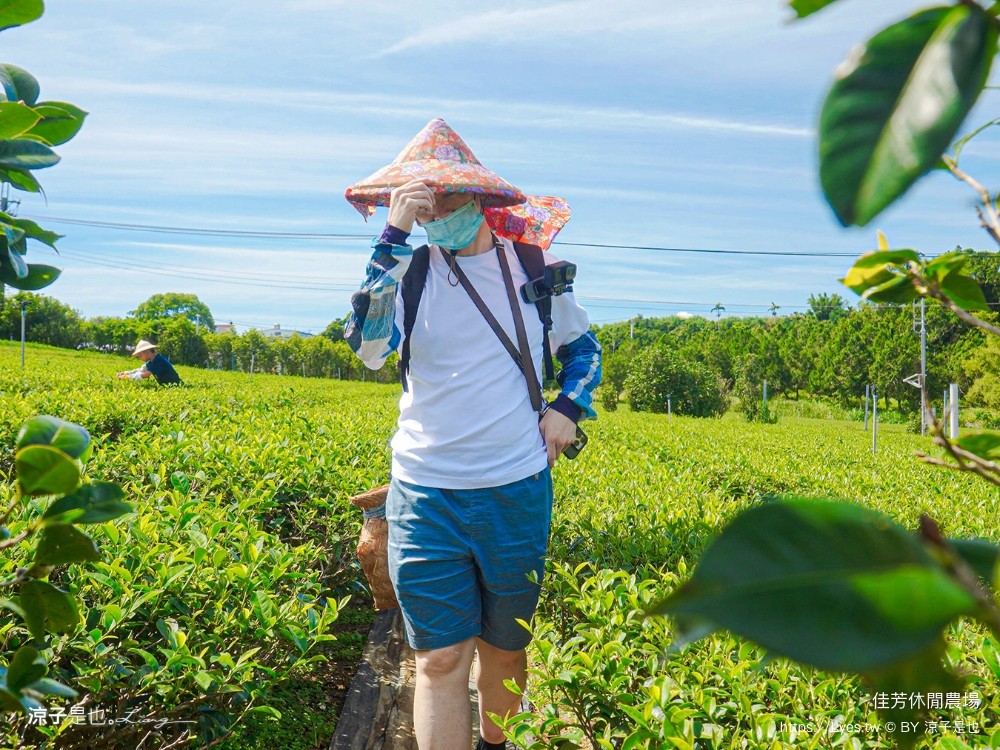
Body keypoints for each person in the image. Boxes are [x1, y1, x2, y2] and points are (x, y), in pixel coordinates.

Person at [343, 118, 601, 750]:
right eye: (421, 203)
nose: (436, 214)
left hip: (514, 490)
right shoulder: (407, 271)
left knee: (506, 653)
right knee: (437, 661)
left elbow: (584, 349)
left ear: (479, 198)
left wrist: (567, 408)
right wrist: (393, 237)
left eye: (446, 198)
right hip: (425, 495)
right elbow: (370, 350)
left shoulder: (535, 268)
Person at [116, 339, 182, 385]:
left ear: (146, 352)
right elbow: (140, 370)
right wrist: (125, 373)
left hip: (176, 385)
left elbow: (145, 375)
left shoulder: (158, 360)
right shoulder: (150, 362)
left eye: (140, 355)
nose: (140, 358)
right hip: (167, 386)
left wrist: (126, 377)